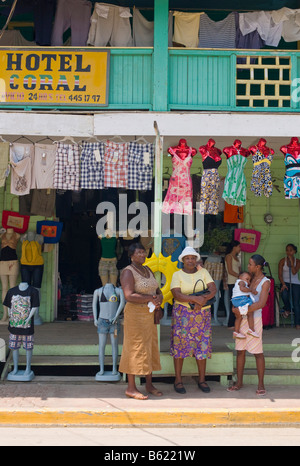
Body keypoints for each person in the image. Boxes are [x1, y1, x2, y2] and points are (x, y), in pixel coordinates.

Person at [118, 243, 163, 400]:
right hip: (135, 315)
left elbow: (157, 290)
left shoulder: (147, 269)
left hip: (149, 314)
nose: (143, 255)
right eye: (139, 253)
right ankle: (131, 387)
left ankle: (149, 385)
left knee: (149, 346)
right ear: (131, 255)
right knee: (135, 348)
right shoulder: (128, 272)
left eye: (144, 253)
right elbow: (129, 295)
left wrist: (159, 298)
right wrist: (151, 298)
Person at [170, 246, 217, 394]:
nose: (190, 260)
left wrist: (201, 300)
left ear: (196, 260)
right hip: (182, 314)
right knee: (180, 346)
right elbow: (176, 294)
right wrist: (195, 299)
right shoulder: (177, 275)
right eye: (187, 258)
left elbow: (213, 289)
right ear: (183, 260)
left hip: (202, 315)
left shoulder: (203, 272)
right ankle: (178, 380)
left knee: (202, 345)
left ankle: (202, 380)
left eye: (192, 258)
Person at [227, 255, 270, 396]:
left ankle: (261, 384)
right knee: (240, 351)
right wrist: (237, 309)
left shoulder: (265, 282)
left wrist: (241, 310)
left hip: (254, 319)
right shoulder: (247, 279)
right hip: (242, 318)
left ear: (258, 267)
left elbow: (261, 304)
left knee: (258, 353)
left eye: (251, 264)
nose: (248, 266)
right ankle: (239, 382)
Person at [278, 243, 300, 328]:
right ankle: (287, 308)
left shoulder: (298, 261)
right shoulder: (282, 261)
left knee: (296, 303)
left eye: (291, 250)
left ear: (294, 251)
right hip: (285, 282)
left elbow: (294, 272)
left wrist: (291, 261)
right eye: (287, 250)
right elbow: (280, 275)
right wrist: (283, 284)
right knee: (284, 294)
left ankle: (297, 323)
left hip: (295, 283)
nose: (288, 252)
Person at [231, 271, 259, 339]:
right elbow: (242, 289)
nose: (248, 281)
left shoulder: (239, 282)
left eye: (249, 280)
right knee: (250, 313)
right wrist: (251, 290)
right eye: (247, 279)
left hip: (236, 301)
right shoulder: (241, 282)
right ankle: (251, 329)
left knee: (238, 317)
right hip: (241, 300)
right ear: (240, 277)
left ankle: (236, 332)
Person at [225, 240, 241, 328]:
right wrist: (239, 276)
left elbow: (239, 269)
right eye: (239, 246)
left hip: (238, 282)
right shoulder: (229, 256)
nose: (240, 249)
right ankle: (231, 323)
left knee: (238, 301)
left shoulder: (237, 257)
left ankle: (236, 321)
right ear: (234, 247)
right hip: (232, 281)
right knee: (234, 302)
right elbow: (230, 271)